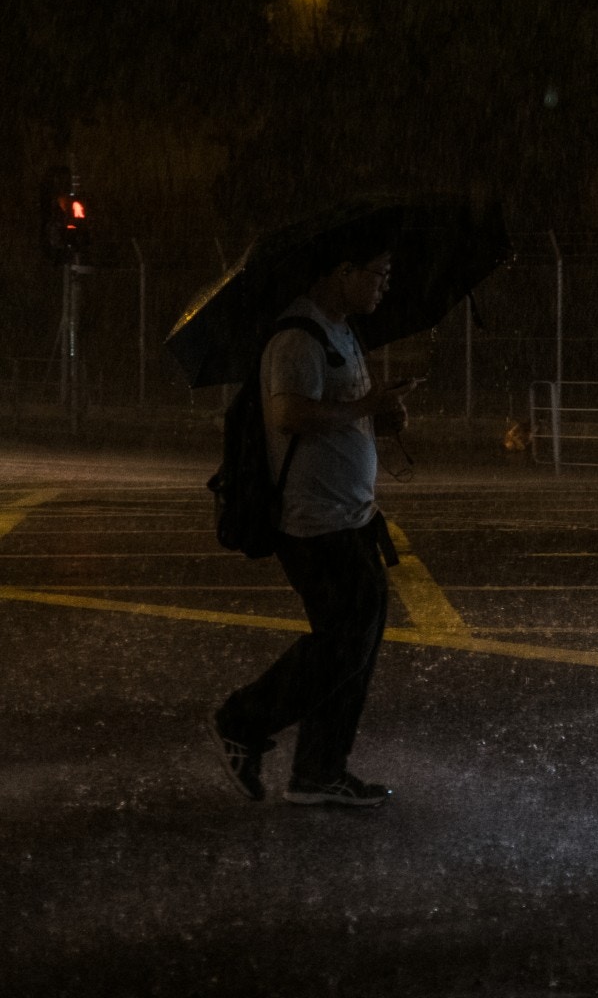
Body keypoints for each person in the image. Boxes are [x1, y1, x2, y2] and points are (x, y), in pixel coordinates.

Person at [207, 231, 418, 806]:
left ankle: (319, 772)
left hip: (352, 517)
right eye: (378, 272)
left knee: (355, 645)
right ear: (343, 270)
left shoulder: (342, 331)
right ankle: (242, 721)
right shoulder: (297, 338)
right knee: (344, 644)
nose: (385, 285)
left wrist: (382, 418)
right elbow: (291, 414)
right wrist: (367, 406)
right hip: (315, 523)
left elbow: (341, 414)